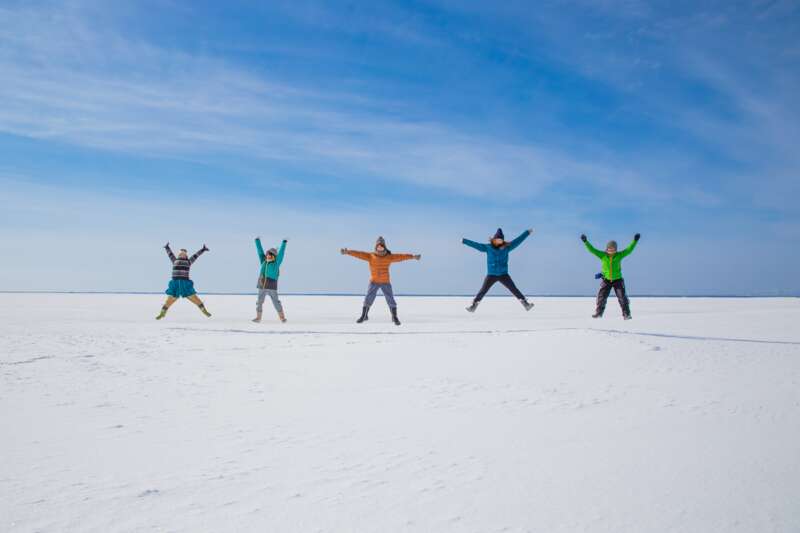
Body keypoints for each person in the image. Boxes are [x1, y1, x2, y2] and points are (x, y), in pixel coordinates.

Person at [340, 236, 421, 325]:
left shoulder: (389, 257)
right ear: (376, 247)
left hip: (385, 282)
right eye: (378, 246)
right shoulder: (370, 256)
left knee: (390, 299)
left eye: (381, 246)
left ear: (384, 247)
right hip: (374, 281)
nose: (380, 248)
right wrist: (347, 252)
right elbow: (359, 254)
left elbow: (401, 257)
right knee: (368, 298)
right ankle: (364, 316)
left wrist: (413, 257)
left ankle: (394, 317)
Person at [463, 228, 535, 312]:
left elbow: (518, 241)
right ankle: (473, 306)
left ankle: (526, 304)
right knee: (483, 290)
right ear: (494, 240)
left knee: (514, 289)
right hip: (491, 275)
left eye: (500, 240)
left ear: (503, 241)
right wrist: (465, 241)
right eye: (497, 239)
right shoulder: (488, 247)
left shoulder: (507, 247)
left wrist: (527, 233)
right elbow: (476, 245)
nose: (499, 241)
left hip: (503, 274)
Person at [581, 233, 640, 320]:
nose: (611, 250)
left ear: (616, 249)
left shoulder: (619, 255)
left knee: (622, 298)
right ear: (607, 248)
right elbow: (592, 250)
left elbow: (629, 250)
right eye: (609, 249)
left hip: (618, 280)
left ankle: (626, 314)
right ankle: (599, 313)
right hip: (606, 280)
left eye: (613, 249)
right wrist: (585, 242)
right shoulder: (602, 255)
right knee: (601, 297)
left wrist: (635, 241)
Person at [156, 243, 211, 320]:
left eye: (183, 253)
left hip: (185, 283)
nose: (182, 254)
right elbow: (170, 254)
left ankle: (204, 311)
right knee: (169, 300)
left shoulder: (188, 262)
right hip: (175, 284)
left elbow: (196, 256)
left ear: (186, 256)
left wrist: (203, 249)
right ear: (178, 255)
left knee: (195, 298)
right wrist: (167, 247)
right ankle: (162, 313)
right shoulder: (174, 260)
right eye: (180, 253)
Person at [253, 237, 287, 323]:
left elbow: (281, 254)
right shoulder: (263, 261)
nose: (267, 256)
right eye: (267, 254)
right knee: (259, 302)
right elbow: (260, 251)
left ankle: (282, 317)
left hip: (271, 286)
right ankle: (258, 318)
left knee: (276, 302)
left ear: (273, 256)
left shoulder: (276, 263)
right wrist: (257, 241)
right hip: (262, 285)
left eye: (269, 255)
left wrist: (284, 243)